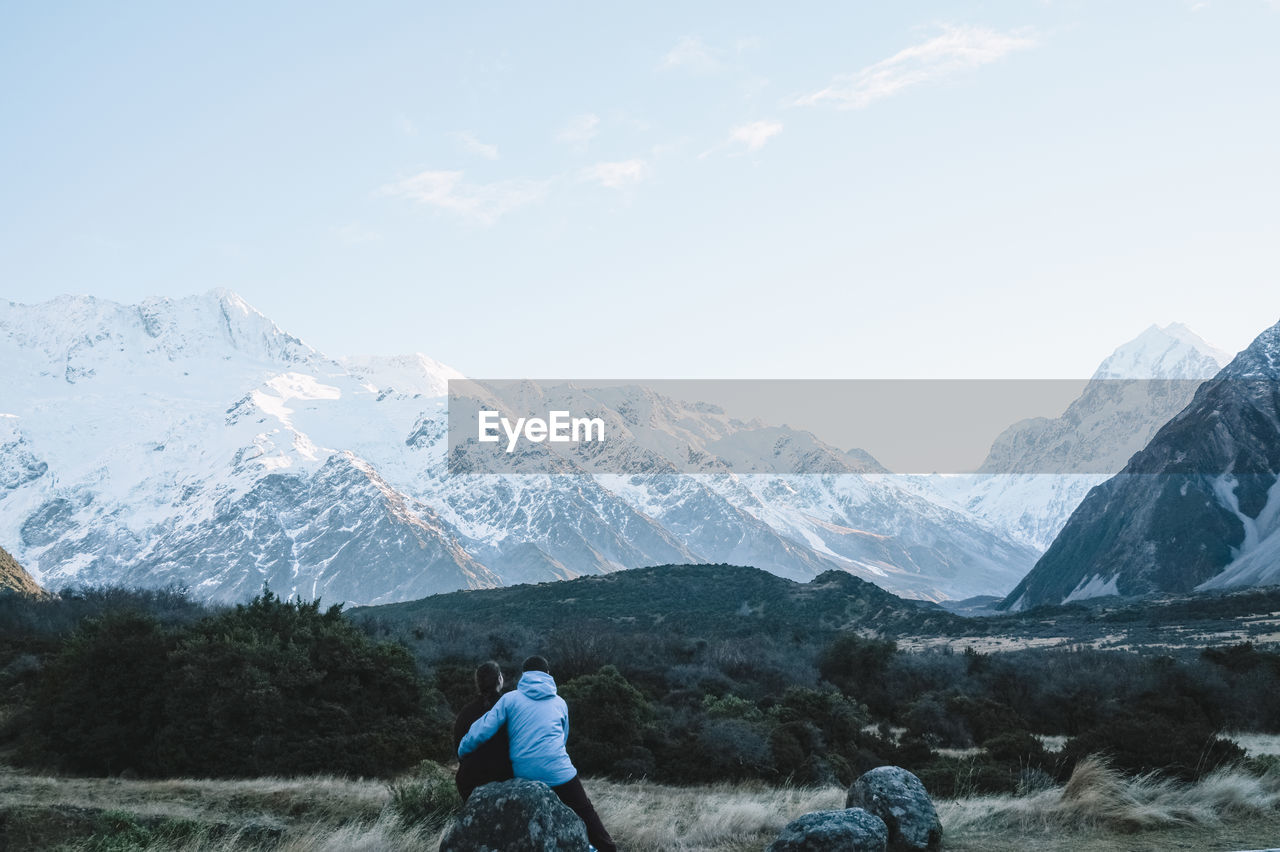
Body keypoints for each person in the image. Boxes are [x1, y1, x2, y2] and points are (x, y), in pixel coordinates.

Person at [459, 655, 617, 852]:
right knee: (585, 810)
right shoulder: (560, 703)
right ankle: (606, 848)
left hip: (525, 773)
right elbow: (562, 738)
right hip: (559, 771)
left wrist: (462, 748)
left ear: (524, 675)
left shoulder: (510, 699)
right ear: (548, 674)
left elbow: (482, 730)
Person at [452, 660, 514, 800]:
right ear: (499, 679)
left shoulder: (465, 712)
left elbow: (459, 750)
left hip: (469, 783)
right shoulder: (510, 708)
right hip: (505, 779)